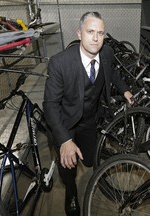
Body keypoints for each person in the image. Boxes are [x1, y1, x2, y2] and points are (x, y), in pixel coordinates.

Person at [43, 11, 133, 216]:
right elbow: (50, 105)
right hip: (66, 122)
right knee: (68, 165)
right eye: (90, 31)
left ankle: (89, 169)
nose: (95, 38)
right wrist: (65, 140)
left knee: (91, 159)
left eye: (100, 33)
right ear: (79, 33)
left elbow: (114, 72)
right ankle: (71, 192)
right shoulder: (60, 62)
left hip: (91, 119)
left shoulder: (107, 53)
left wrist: (125, 89)